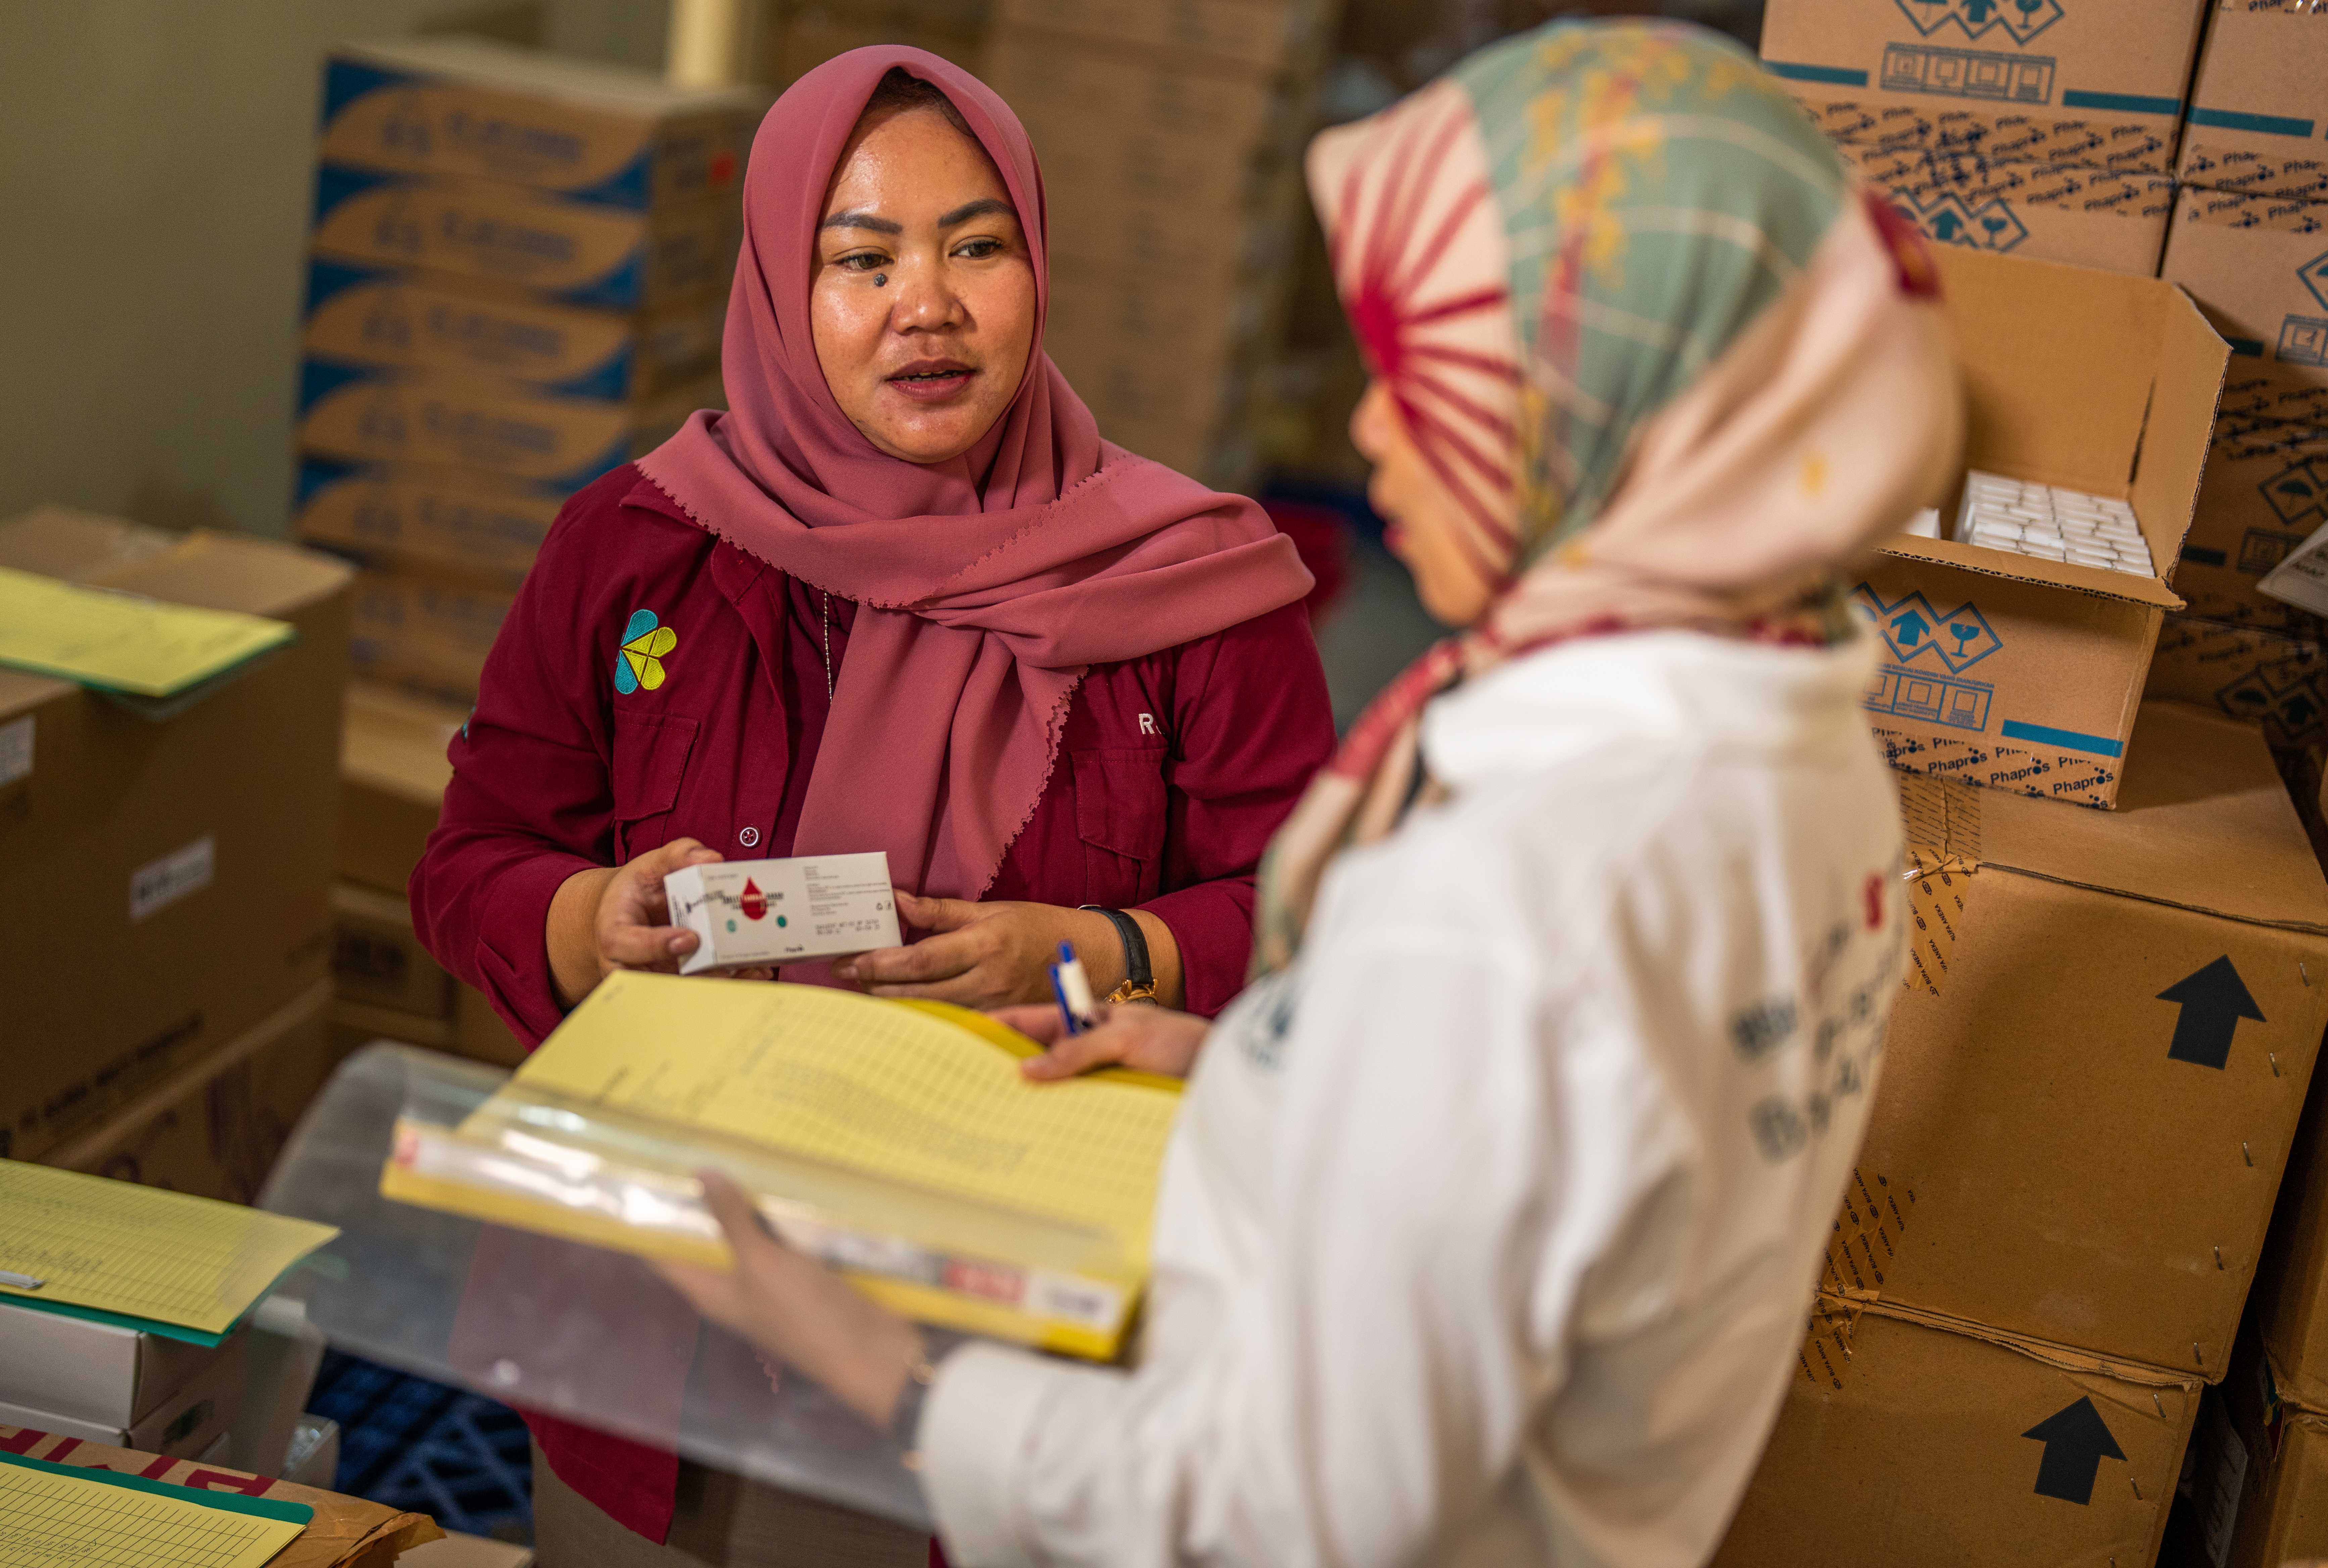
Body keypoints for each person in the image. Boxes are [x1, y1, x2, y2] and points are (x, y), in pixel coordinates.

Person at [659, 19, 1963, 1568]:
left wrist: (889, 1369)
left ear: (1608, 410)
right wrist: (1282, 1071)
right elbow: (1566, 1157)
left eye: (1434, 380)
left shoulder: (1503, 884)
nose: (1367, 430)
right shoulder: (1801, 734)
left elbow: (1284, 1515)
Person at [409, 47, 1334, 1560]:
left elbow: (1315, 929)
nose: (930, 304)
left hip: (993, 1338)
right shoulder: (639, 551)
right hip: (654, 1309)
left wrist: (1109, 948)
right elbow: (471, 861)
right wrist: (590, 915)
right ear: (780, 281)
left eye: (980, 246)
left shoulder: (1188, 593)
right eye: (862, 258)